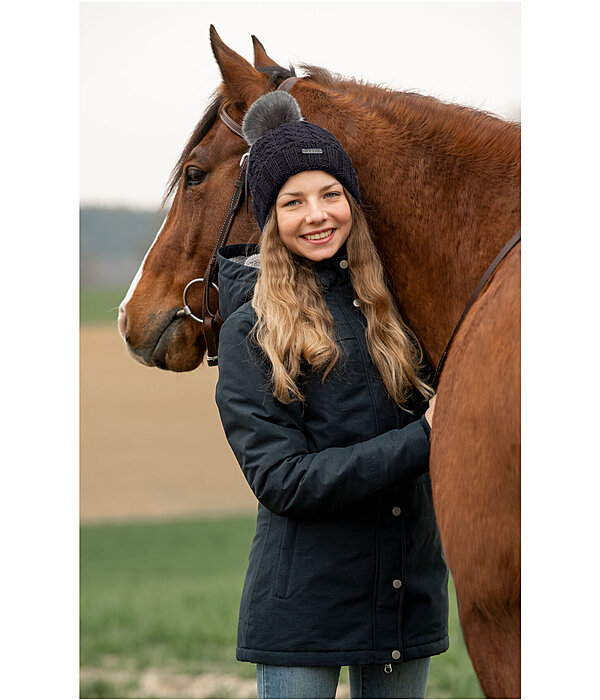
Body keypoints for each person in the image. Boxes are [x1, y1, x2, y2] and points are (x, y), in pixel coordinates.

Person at [214, 91, 448, 699]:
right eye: (293, 202)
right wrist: (424, 439)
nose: (316, 215)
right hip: (302, 612)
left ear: (352, 201)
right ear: (269, 219)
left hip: (402, 594)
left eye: (330, 194)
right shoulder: (252, 329)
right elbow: (283, 479)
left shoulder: (400, 307)